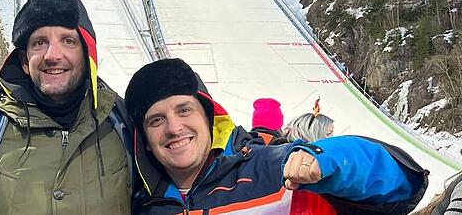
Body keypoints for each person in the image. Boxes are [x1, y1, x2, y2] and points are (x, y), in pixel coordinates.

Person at [124, 58, 428, 214]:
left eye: (184, 110)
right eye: (157, 120)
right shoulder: (144, 206)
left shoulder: (270, 171)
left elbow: (402, 185)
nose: (174, 128)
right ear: (145, 140)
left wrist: (328, 160)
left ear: (208, 117)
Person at [0, 0, 133, 215]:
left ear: (87, 55)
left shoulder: (121, 124)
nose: (52, 55)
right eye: (39, 43)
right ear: (24, 61)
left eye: (68, 41)